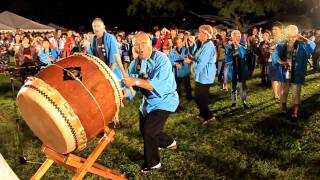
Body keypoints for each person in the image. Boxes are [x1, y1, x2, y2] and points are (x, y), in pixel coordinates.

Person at [122, 32, 179, 172]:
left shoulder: (162, 59)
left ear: (150, 44)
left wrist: (134, 81)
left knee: (149, 131)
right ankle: (169, 143)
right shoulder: (136, 63)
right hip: (148, 102)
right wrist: (125, 92)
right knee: (145, 130)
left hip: (164, 100)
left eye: (143, 44)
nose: (139, 48)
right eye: (136, 45)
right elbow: (131, 86)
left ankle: (153, 164)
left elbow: (154, 84)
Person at [274, 25, 315, 118]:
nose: (291, 38)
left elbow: (312, 45)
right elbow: (275, 55)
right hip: (285, 71)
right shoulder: (282, 44)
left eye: (294, 36)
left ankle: (295, 112)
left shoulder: (302, 44)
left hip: (297, 72)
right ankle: (283, 107)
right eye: (289, 36)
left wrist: (302, 37)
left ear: (297, 35)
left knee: (296, 91)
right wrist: (282, 62)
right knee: (284, 91)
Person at [184, 25, 217, 125]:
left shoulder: (208, 46)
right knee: (199, 96)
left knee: (201, 97)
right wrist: (192, 58)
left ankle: (210, 118)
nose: (198, 34)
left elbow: (202, 63)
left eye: (201, 32)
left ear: (206, 35)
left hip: (205, 76)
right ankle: (203, 114)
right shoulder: (204, 44)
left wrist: (191, 64)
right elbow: (199, 58)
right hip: (202, 75)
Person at [225, 30, 249, 108]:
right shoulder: (229, 46)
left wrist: (238, 45)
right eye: (236, 36)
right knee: (233, 85)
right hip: (233, 67)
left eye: (239, 36)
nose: (238, 37)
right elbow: (227, 58)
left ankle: (244, 101)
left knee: (243, 85)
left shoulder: (242, 44)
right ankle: (233, 101)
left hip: (241, 67)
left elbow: (243, 54)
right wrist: (233, 56)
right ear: (232, 37)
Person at [168, 37, 192, 101]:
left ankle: (189, 96)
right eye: (178, 42)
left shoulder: (186, 49)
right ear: (175, 44)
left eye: (181, 42)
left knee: (187, 83)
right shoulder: (173, 51)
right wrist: (175, 64)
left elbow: (188, 57)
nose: (180, 43)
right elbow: (169, 60)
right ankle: (178, 96)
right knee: (177, 84)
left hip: (185, 69)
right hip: (177, 71)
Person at [269, 21, 284, 101]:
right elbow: (271, 51)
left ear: (281, 30)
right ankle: (276, 95)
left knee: (280, 78)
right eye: (273, 29)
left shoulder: (284, 39)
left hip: (282, 61)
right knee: (274, 78)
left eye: (276, 29)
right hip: (273, 61)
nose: (273, 31)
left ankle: (279, 93)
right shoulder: (272, 40)